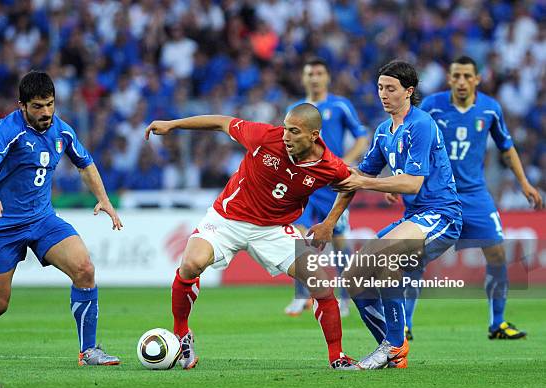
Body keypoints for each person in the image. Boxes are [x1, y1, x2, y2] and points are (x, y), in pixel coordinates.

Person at [144, 104, 356, 370]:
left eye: (294, 131)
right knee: (190, 264)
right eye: (285, 128)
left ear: (314, 135)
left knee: (320, 282)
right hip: (227, 219)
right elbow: (222, 121)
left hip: (273, 230)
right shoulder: (265, 136)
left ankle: (337, 357)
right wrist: (173, 124)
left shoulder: (328, 166)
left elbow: (350, 184)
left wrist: (329, 223)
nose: (286, 136)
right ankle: (181, 333)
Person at [0, 71, 123, 366]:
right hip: (4, 226)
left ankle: (88, 351)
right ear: (23, 106)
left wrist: (103, 199)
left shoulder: (62, 131)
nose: (46, 113)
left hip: (43, 221)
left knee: (84, 269)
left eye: (50, 104)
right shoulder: (10, 128)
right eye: (38, 106)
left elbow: (85, 164)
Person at [333, 60, 463, 369]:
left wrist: (370, 182)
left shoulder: (421, 123)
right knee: (353, 276)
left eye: (390, 88)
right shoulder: (383, 131)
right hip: (414, 218)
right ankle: (390, 349)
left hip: (441, 215)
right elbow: (357, 178)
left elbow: (412, 183)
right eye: (380, 88)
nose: (383, 94)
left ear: (409, 91)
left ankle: (393, 345)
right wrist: (328, 223)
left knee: (380, 255)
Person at [403, 55, 543, 340]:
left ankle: (498, 323)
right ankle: (403, 325)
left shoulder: (490, 109)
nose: (462, 81)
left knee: (497, 252)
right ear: (450, 79)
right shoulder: (431, 106)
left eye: (468, 76)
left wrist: (524, 183)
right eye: (456, 76)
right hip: (436, 195)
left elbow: (507, 147)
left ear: (477, 79)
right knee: (413, 257)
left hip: (475, 195)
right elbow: (408, 141)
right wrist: (400, 178)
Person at [284, 58, 368, 317]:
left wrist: (343, 162)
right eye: (310, 73)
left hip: (332, 184)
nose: (314, 78)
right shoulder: (295, 108)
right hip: (305, 184)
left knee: (340, 241)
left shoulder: (340, 105)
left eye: (319, 73)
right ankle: (302, 295)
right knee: (298, 237)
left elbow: (363, 138)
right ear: (303, 78)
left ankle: (344, 297)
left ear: (327, 77)